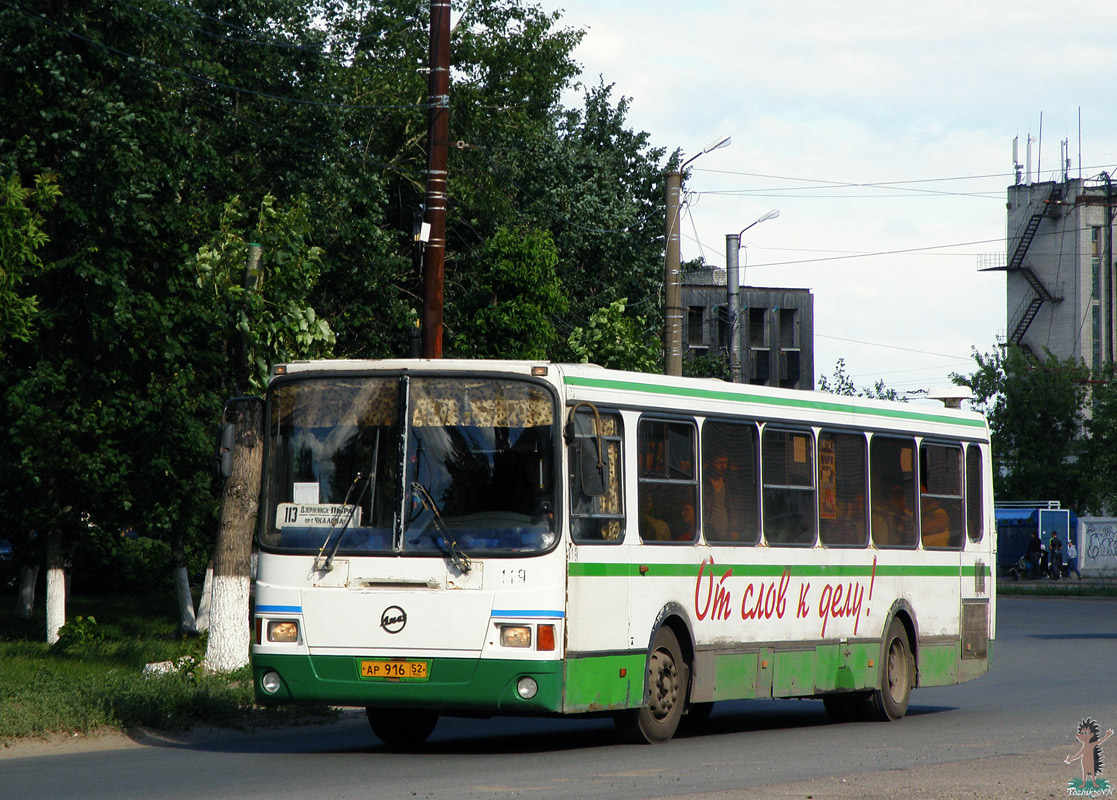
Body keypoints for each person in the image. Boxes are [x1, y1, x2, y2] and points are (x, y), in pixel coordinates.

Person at [703, 452, 730, 540]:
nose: (723, 467)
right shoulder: (703, 482)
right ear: (710, 463)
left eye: (725, 463)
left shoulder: (729, 483)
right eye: (719, 463)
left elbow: (733, 507)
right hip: (707, 531)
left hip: (725, 531)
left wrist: (734, 528)